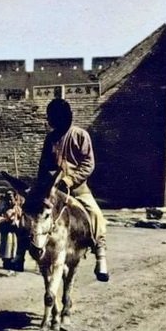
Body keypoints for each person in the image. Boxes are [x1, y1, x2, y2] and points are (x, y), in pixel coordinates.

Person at [37, 98, 109, 282]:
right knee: (34, 213)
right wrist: (43, 184)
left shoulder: (80, 135)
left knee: (96, 215)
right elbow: (43, 165)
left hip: (78, 189)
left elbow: (88, 164)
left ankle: (100, 256)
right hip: (55, 190)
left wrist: (70, 179)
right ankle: (22, 253)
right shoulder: (50, 139)